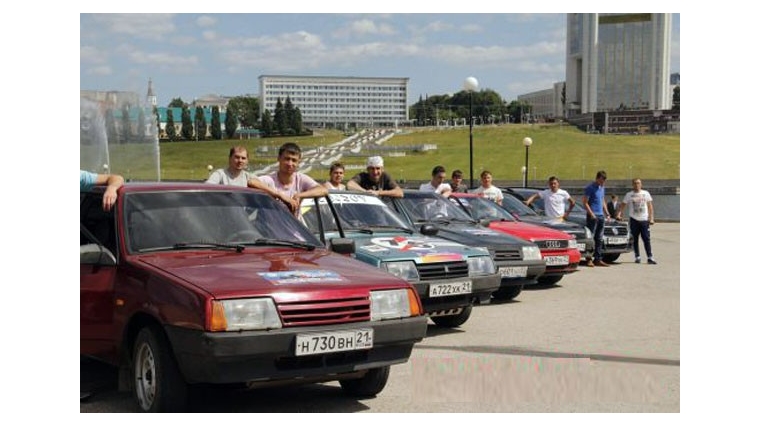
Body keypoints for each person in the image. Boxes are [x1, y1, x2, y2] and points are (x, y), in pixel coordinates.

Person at [249, 142, 327, 215]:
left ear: (298, 162)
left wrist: (299, 195)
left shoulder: (301, 179)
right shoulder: (270, 180)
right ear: (279, 158)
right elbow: (252, 182)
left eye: (294, 160)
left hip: (293, 226)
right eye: (287, 159)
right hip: (271, 227)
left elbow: (323, 190)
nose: (290, 164)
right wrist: (280, 195)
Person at [616, 178, 657, 265]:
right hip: (634, 220)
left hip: (644, 220)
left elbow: (650, 207)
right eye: (635, 183)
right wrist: (619, 214)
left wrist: (651, 218)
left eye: (638, 183)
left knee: (646, 239)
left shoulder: (645, 193)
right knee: (635, 239)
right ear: (632, 185)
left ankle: (650, 257)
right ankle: (637, 256)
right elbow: (623, 205)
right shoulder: (629, 195)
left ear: (641, 184)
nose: (637, 185)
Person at [582, 170, 611, 267]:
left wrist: (607, 213)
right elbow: (585, 202)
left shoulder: (602, 188)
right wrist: (591, 214)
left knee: (599, 238)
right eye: (601, 180)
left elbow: (602, 201)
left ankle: (598, 259)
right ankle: (589, 259)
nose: (603, 183)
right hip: (593, 216)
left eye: (604, 181)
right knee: (591, 237)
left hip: (601, 215)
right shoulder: (590, 188)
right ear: (597, 178)